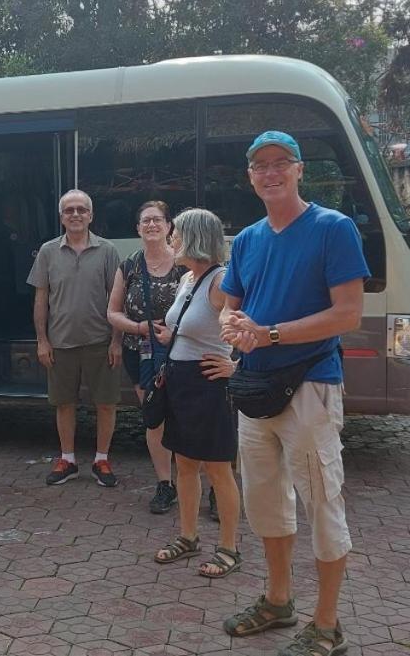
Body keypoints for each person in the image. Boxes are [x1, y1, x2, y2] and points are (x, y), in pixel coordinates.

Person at [219, 132, 369, 656]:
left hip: (310, 386)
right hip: (256, 389)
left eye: (281, 163)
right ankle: (278, 602)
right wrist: (232, 324)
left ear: (300, 169)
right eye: (260, 165)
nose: (270, 172)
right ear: (250, 177)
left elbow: (348, 313)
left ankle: (326, 625)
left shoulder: (333, 228)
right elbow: (229, 302)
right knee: (265, 503)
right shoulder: (247, 240)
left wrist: (271, 333)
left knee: (322, 503)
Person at [149, 208, 248, 578]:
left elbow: (250, 327)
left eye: (175, 233)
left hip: (209, 384)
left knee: (219, 469)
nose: (170, 238)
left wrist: (237, 366)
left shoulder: (220, 280)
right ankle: (188, 537)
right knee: (186, 464)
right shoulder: (189, 279)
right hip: (181, 382)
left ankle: (229, 548)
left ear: (193, 238)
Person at [27, 189, 123, 487]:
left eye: (82, 209)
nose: (76, 215)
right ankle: (67, 459)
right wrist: (42, 340)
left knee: (106, 403)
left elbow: (117, 299)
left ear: (91, 215)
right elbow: (41, 299)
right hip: (61, 342)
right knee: (63, 403)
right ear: (61, 217)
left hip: (100, 341)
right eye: (69, 210)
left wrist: (117, 341)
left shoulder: (107, 251)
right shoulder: (47, 251)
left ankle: (101, 459)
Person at [106, 201, 186, 513]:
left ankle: (207, 488)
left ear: (169, 226)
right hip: (140, 354)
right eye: (145, 221)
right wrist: (138, 327)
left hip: (183, 353)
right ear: (138, 229)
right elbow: (112, 313)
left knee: (189, 419)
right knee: (155, 420)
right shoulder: (129, 266)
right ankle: (165, 484)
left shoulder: (186, 264)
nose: (151, 225)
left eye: (157, 220)